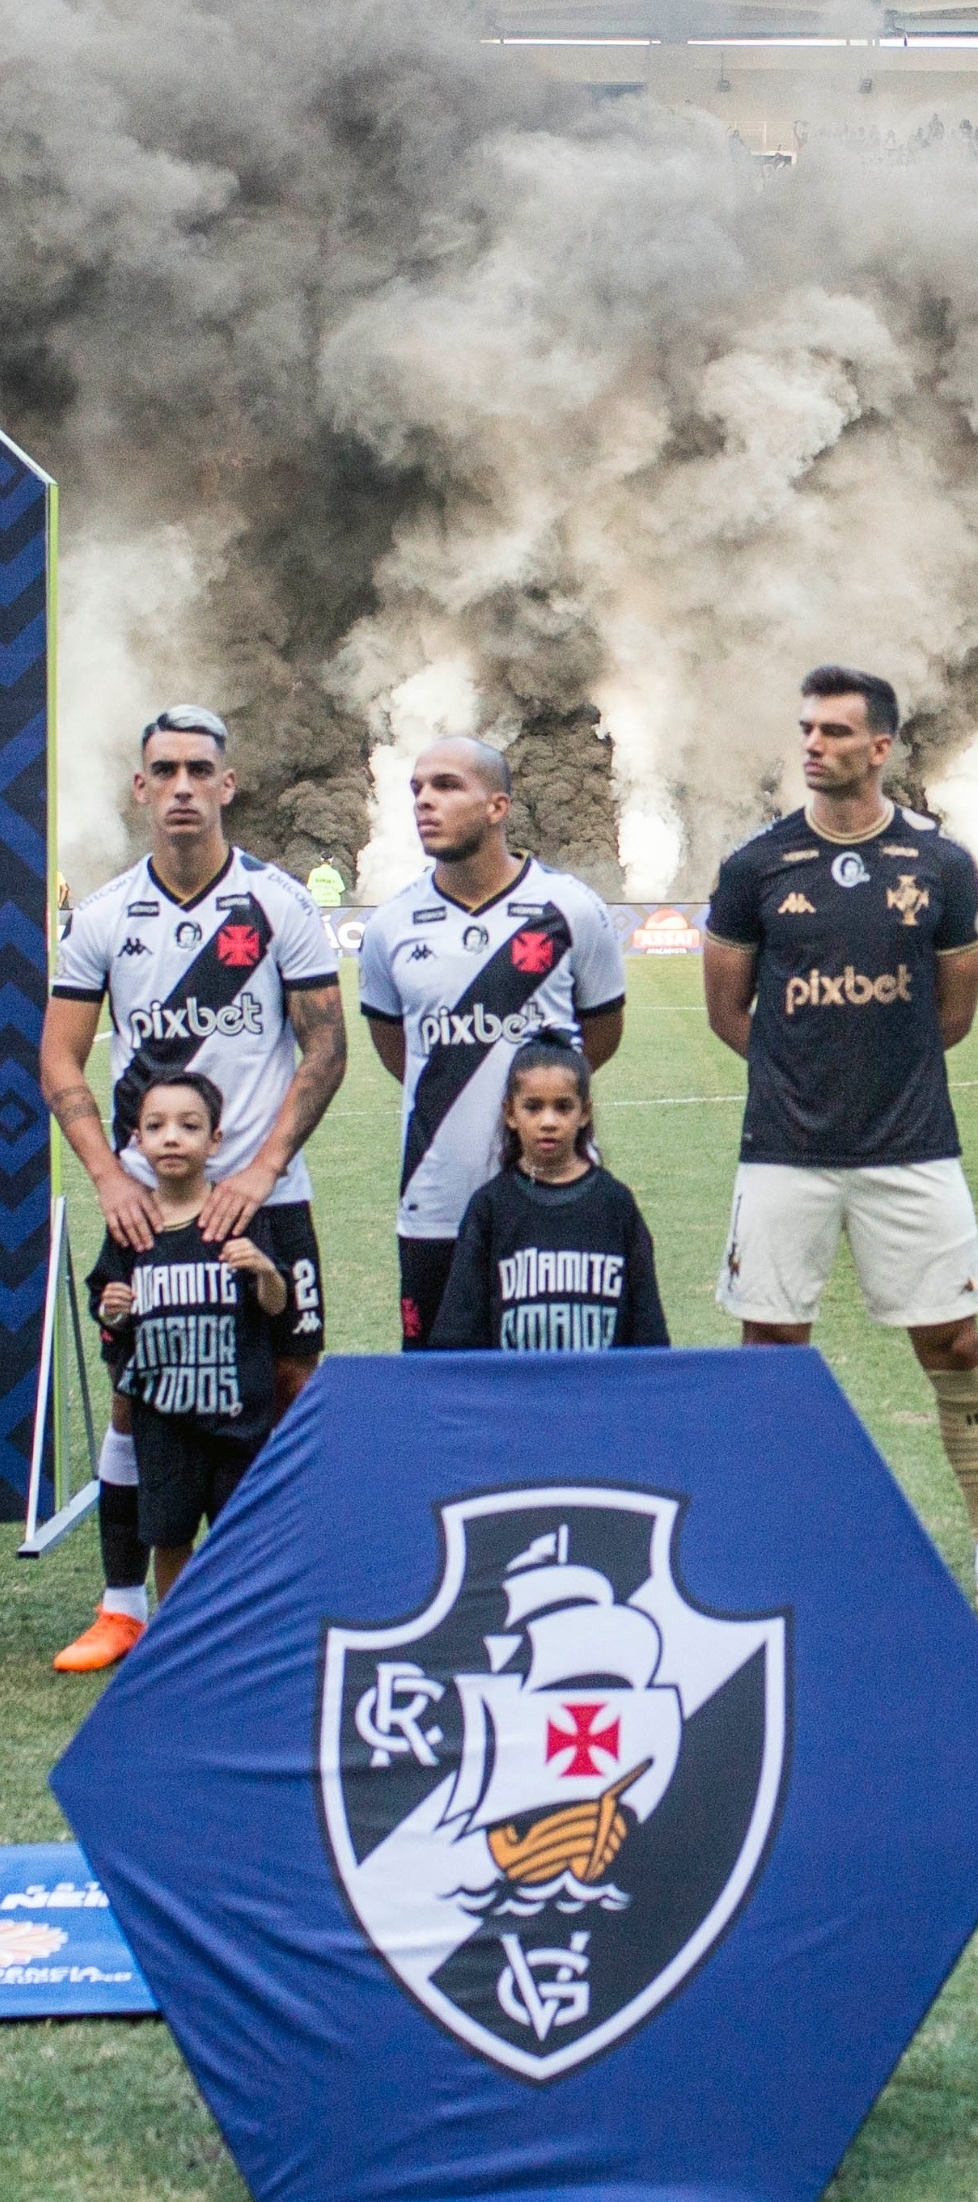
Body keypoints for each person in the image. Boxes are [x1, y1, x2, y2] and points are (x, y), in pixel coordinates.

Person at [704, 664, 978, 1635]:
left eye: (832, 730)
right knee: (771, 1351)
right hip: (785, 1149)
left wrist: (876, 1075)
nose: (812, 743)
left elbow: (952, 1014)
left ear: (880, 746)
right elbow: (728, 1009)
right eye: (806, 727)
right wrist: (804, 1076)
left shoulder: (941, 866)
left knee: (953, 1342)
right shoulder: (755, 866)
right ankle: (774, 1560)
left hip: (911, 1147)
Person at [42, 706, 344, 1674]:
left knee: (291, 1385)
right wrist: (106, 1177)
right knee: (140, 1394)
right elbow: (57, 1059)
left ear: (227, 783)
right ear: (141, 787)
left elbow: (328, 1048)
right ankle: (124, 1603)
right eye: (163, 768)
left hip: (267, 1195)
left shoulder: (277, 902)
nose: (180, 784)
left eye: (198, 768)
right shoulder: (104, 917)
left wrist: (258, 1170)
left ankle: (285, 1594)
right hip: (150, 1202)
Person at [358, 739, 626, 1349]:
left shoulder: (571, 909)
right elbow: (397, 1048)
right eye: (418, 789)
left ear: (497, 805)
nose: (426, 801)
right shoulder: (390, 925)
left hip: (555, 1192)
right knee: (438, 1382)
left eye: (447, 786)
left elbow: (601, 1034)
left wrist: (543, 1099)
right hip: (435, 1197)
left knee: (563, 1373)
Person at [85, 1072, 308, 1607]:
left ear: (215, 1141)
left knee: (243, 1537)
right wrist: (114, 1312)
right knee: (171, 1537)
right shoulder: (130, 1228)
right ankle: (177, 1639)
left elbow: (278, 1307)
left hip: (237, 1418)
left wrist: (263, 1271)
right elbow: (110, 1318)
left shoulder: (237, 1218)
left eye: (189, 1126)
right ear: (136, 1139)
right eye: (156, 1125)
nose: (171, 1137)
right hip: (164, 1423)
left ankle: (246, 1634)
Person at [431, 1031, 667, 1352]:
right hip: (517, 1396)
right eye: (533, 1107)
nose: (548, 1121)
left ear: (584, 1113)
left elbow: (648, 1329)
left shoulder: (614, 1204)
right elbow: (458, 1334)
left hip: (597, 1395)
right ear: (510, 1113)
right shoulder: (490, 1207)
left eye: (563, 1107)